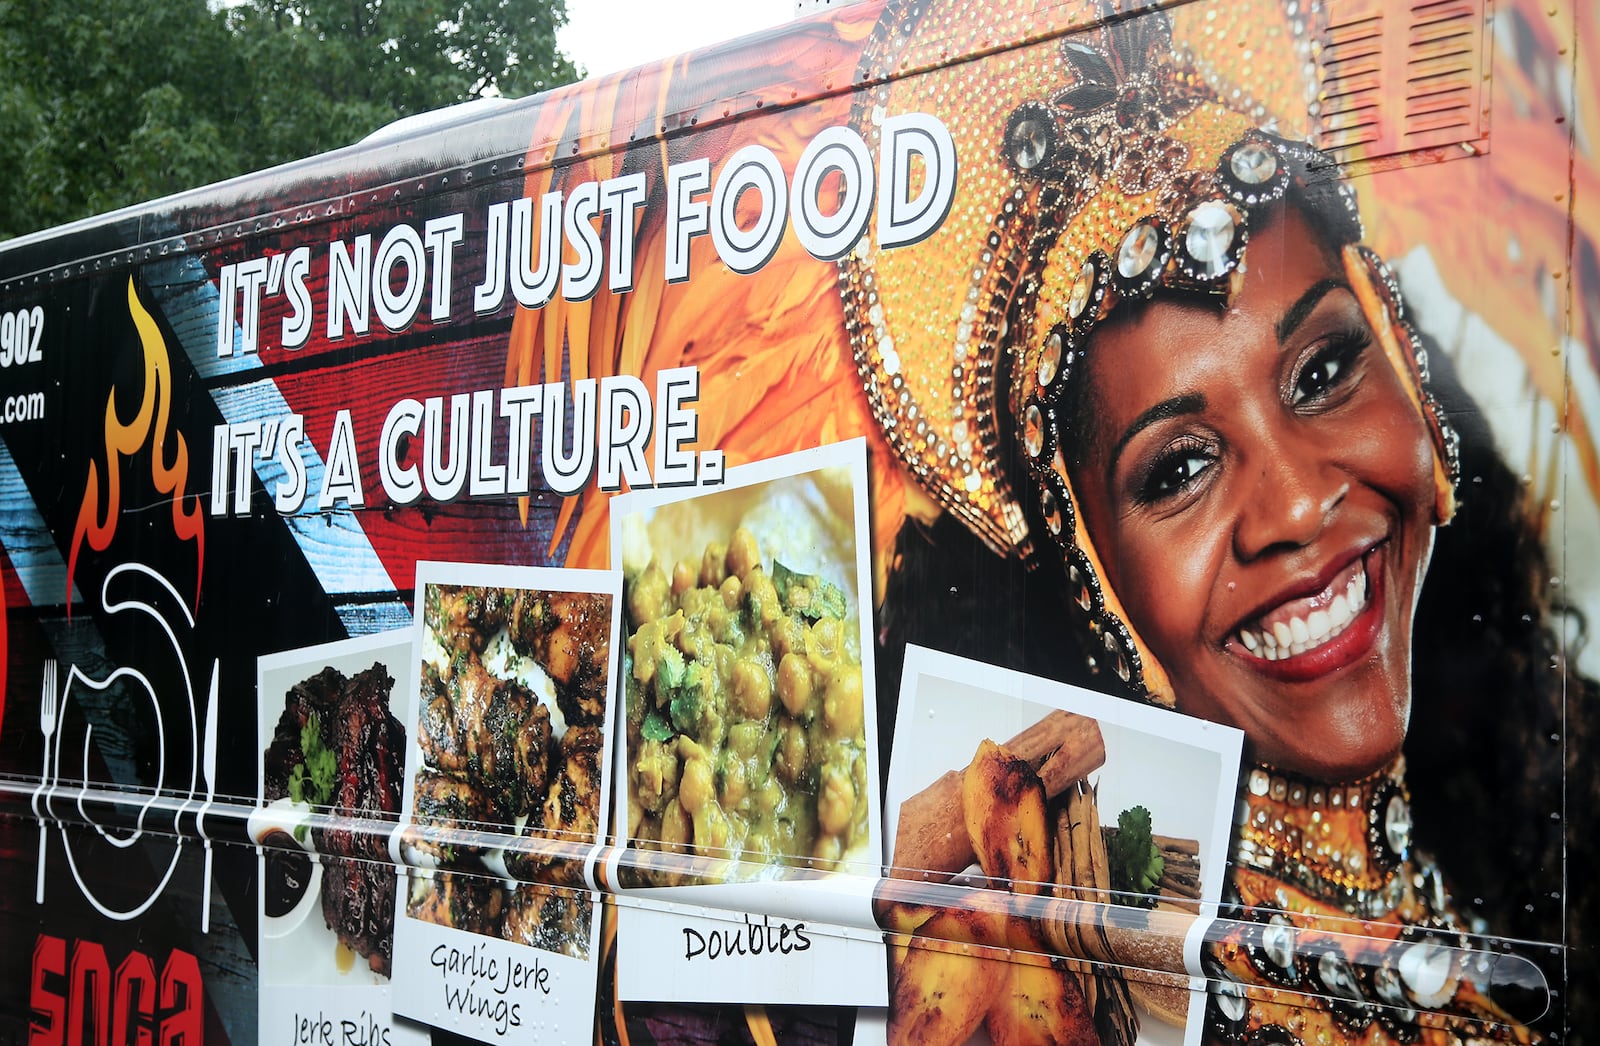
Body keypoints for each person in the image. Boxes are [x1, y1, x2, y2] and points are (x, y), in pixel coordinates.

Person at [847, 0, 1587, 1039]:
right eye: (1178, 468)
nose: (1292, 501)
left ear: (1407, 370)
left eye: (1323, 369)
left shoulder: (1546, 800)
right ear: (1098, 581)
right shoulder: (1116, 984)